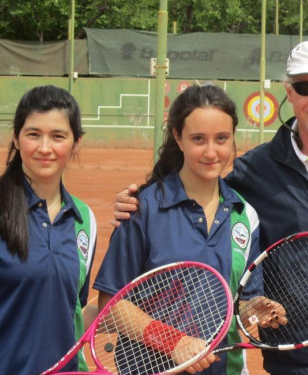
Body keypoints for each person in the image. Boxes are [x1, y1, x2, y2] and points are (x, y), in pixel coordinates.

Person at [112, 38, 308, 375]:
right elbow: (198, 194)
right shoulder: (253, 172)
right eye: (306, 87)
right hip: (292, 366)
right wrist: (139, 199)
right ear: (289, 91)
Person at [94, 84, 273, 375]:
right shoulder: (143, 208)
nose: (212, 151)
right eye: (199, 139)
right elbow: (111, 306)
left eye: (222, 138)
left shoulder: (244, 214)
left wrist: (257, 311)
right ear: (178, 137)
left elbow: (243, 303)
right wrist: (173, 342)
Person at [0, 85, 96, 374]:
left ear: (76, 142)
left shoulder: (85, 220)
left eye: (58, 136)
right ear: (16, 138)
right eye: (33, 134)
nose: (45, 148)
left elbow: (70, 311)